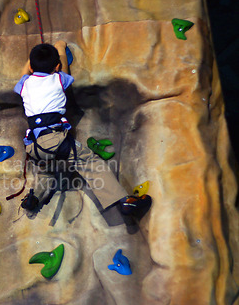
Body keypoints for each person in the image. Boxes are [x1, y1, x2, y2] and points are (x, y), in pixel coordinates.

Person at [14, 41, 151, 218]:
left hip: (33, 145)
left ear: (31, 67)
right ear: (56, 66)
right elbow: (64, 71)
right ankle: (125, 202)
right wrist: (61, 48)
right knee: (91, 164)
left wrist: (31, 60)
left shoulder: (26, 84)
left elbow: (23, 74)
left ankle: (35, 198)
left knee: (46, 171)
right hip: (55, 140)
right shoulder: (58, 79)